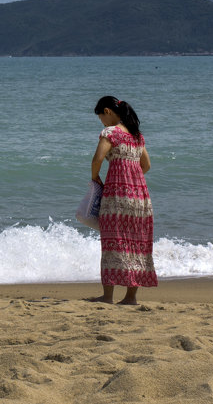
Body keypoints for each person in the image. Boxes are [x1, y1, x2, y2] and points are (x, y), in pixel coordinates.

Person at [88, 96, 156, 305]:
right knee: (136, 244)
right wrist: (132, 176)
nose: (101, 121)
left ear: (107, 112)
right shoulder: (137, 136)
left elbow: (98, 159)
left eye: (100, 116)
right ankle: (130, 297)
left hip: (117, 196)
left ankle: (107, 296)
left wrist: (95, 177)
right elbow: (146, 166)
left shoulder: (110, 133)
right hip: (140, 197)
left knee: (112, 242)